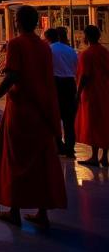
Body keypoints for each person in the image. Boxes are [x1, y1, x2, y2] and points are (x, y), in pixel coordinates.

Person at [0, 5, 67, 228]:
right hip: (42, 111)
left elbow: (12, 75)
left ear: (18, 22)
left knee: (16, 158)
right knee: (41, 160)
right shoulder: (44, 47)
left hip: (22, 109)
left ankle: (14, 210)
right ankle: (42, 212)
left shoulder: (17, 44)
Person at [75, 24, 109, 167]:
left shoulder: (87, 54)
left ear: (87, 37)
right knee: (105, 122)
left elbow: (85, 76)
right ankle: (104, 157)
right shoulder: (105, 52)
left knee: (93, 123)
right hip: (105, 91)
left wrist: (78, 92)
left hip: (92, 93)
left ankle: (94, 156)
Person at [44, 28, 78, 158]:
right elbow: (76, 67)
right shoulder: (71, 50)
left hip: (55, 83)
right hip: (70, 83)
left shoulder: (49, 49)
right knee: (69, 119)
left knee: (55, 116)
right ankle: (70, 147)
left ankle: (58, 145)